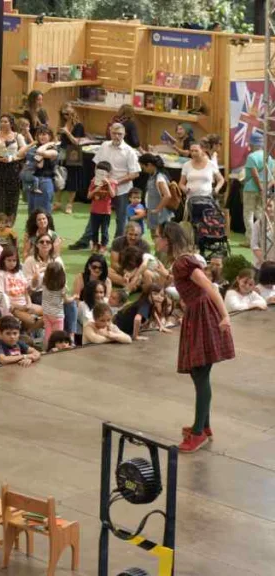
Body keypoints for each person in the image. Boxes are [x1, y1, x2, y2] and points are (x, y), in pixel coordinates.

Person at [154, 223, 235, 452]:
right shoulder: (181, 262)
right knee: (199, 371)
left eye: (158, 236)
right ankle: (203, 425)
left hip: (202, 315)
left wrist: (225, 315)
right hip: (197, 314)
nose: (156, 240)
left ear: (168, 239)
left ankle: (198, 432)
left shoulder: (183, 262)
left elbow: (209, 286)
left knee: (200, 372)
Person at [70, 124, 142, 250]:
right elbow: (97, 165)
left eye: (120, 134)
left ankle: (118, 246)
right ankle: (85, 241)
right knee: (95, 215)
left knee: (121, 220)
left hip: (122, 191)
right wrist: (99, 181)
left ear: (124, 135)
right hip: (102, 189)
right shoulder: (104, 146)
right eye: (114, 133)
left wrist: (114, 182)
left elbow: (135, 173)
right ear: (110, 132)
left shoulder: (130, 151)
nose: (117, 136)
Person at [0, 115, 29, 222]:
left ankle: (9, 220)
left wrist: (13, 158)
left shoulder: (18, 136)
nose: (3, 123)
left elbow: (24, 152)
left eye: (6, 121)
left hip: (13, 169)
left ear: (11, 123)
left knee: (11, 195)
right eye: (1, 121)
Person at [242, 131, 275, 242]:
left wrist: (260, 188)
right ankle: (264, 239)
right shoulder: (269, 157)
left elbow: (254, 174)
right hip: (264, 189)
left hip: (251, 188)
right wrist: (265, 188)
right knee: (261, 213)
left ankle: (250, 240)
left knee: (248, 214)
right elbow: (272, 175)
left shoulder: (251, 156)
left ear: (252, 144)